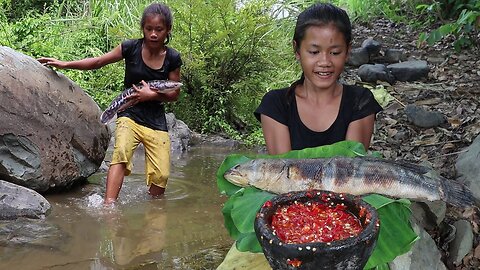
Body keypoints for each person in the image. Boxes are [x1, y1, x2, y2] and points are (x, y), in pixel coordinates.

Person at [38, 3, 182, 204]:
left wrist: (151, 95)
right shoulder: (130, 48)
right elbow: (97, 62)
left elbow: (174, 92)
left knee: (162, 175)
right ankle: (109, 205)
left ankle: (154, 209)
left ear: (167, 30)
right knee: (121, 152)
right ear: (143, 28)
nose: (153, 34)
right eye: (149, 29)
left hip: (155, 119)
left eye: (159, 29)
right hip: (128, 113)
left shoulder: (173, 58)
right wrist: (65, 64)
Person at [254, 3, 382, 155]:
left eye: (335, 52)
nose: (325, 62)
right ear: (297, 50)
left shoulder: (360, 101)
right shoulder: (276, 104)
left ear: (348, 51)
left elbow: (350, 171)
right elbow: (282, 172)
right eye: (314, 52)